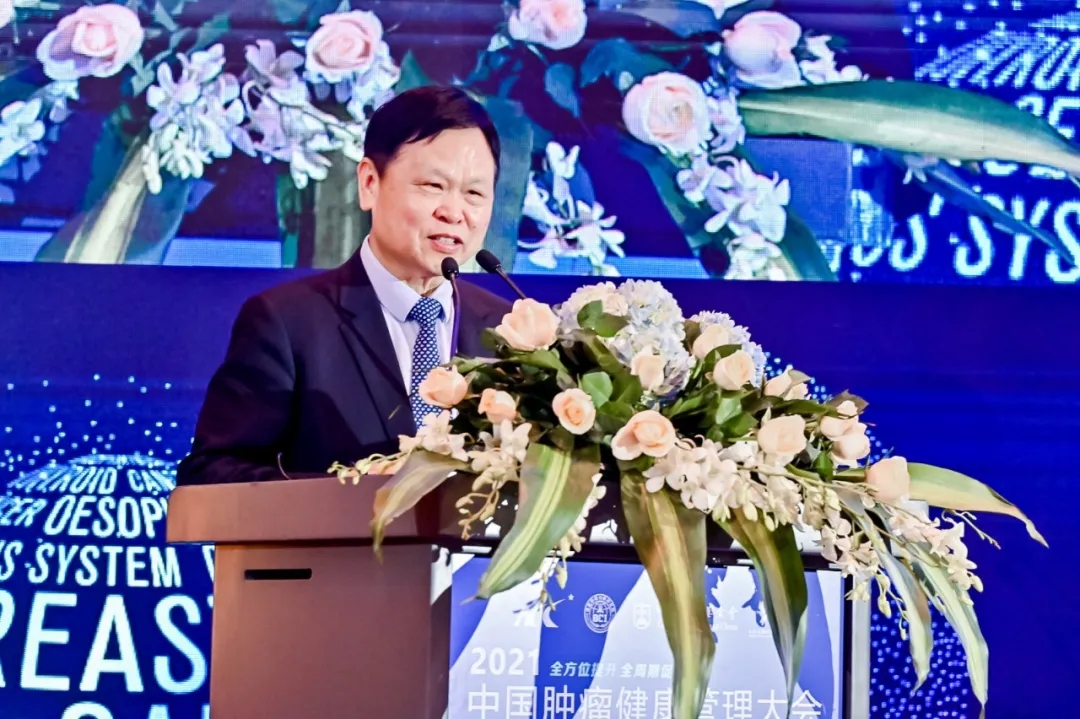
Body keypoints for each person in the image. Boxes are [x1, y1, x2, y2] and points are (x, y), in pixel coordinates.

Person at [176, 86, 512, 485]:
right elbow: (211, 477)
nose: (454, 212)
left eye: (474, 193)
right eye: (432, 186)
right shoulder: (286, 323)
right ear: (369, 183)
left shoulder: (509, 332)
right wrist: (348, 492)